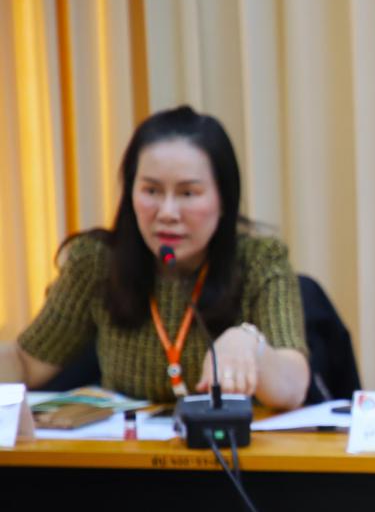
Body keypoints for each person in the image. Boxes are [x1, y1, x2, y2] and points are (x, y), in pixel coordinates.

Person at [1, 106, 310, 408]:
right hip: (125, 441)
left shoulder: (260, 260)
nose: (167, 213)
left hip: (232, 441)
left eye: (188, 193)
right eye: (151, 191)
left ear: (224, 200)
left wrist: (251, 345)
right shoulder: (96, 261)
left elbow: (294, 386)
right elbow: (26, 363)